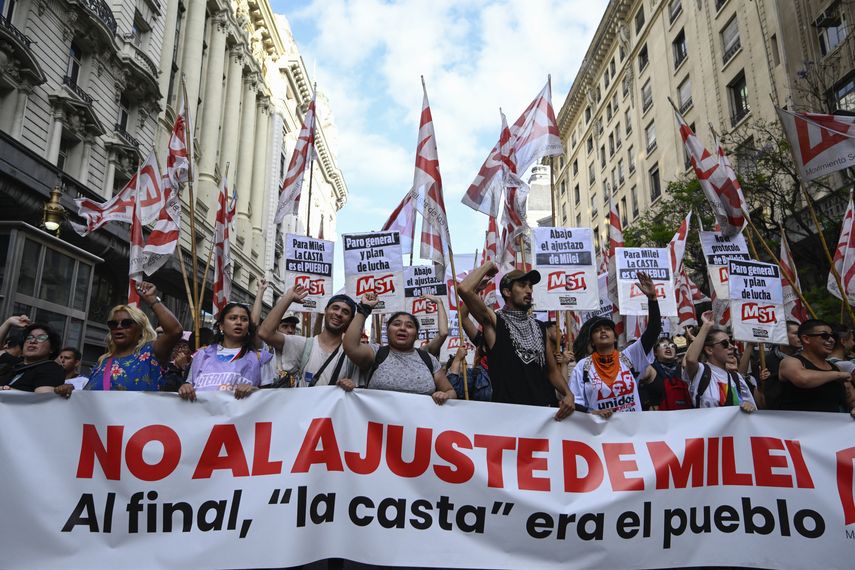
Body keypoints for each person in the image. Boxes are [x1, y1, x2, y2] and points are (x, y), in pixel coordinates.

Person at [458, 263, 574, 419]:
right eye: (522, 285)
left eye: (530, 286)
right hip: (511, 418)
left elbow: (551, 370)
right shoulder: (495, 321)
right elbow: (464, 289)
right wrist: (488, 266)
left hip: (543, 416)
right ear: (507, 292)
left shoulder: (540, 327)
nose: (529, 290)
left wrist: (568, 394)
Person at [568, 272, 662, 416]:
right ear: (592, 341)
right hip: (601, 433)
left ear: (615, 338)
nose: (603, 332)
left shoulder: (629, 357)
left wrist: (653, 299)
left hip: (632, 431)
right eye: (598, 331)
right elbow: (575, 402)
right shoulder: (582, 367)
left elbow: (653, 331)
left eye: (607, 329)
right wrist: (593, 412)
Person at [339, 293, 456, 405]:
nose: (403, 328)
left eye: (409, 326)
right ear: (388, 330)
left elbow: (450, 392)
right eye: (396, 324)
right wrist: (364, 309)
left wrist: (445, 395)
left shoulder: (428, 358)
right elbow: (351, 346)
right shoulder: (376, 353)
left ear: (416, 335)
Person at [84, 282, 182, 391]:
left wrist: (152, 300)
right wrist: (69, 391)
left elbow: (175, 331)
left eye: (126, 323)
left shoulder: (150, 353)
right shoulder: (103, 361)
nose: (119, 327)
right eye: (113, 324)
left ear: (140, 329)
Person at [258, 286, 361, 388]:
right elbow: (265, 333)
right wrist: (288, 298)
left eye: (345, 312)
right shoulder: (304, 345)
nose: (338, 313)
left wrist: (351, 386)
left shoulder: (353, 354)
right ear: (325, 310)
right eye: (335, 308)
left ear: (351, 320)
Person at [179, 303, 273, 400]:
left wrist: (254, 390)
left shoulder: (259, 358)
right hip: (202, 414)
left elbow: (269, 397)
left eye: (244, 319)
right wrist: (185, 387)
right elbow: (189, 384)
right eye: (233, 318)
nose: (239, 322)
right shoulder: (202, 355)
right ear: (221, 326)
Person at [778, 319, 855, 416]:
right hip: (797, 428)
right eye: (825, 336)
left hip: (832, 428)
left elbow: (851, 398)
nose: (831, 340)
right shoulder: (790, 362)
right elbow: (803, 379)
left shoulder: (836, 368)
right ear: (806, 339)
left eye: (832, 336)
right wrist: (838, 375)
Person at [684, 311, 756, 412]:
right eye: (724, 343)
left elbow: (753, 410)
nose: (732, 347)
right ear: (709, 350)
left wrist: (749, 406)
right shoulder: (701, 371)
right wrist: (706, 326)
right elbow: (691, 359)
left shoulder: (736, 378)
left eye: (730, 342)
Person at [0, 322, 66, 394]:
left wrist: (8, 391)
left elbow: (42, 399)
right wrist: (8, 322)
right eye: (29, 337)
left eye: (41, 338)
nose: (32, 341)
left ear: (52, 348)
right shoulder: (16, 364)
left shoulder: (51, 369)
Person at [750, 320, 801, 409]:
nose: (800, 337)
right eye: (796, 333)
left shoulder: (807, 358)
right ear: (782, 336)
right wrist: (765, 383)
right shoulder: (764, 363)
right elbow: (761, 398)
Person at [637, 338, 692, 410]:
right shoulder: (650, 369)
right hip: (659, 418)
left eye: (672, 346)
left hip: (682, 417)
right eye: (663, 345)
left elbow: (691, 359)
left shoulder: (683, 370)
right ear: (655, 352)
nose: (668, 347)